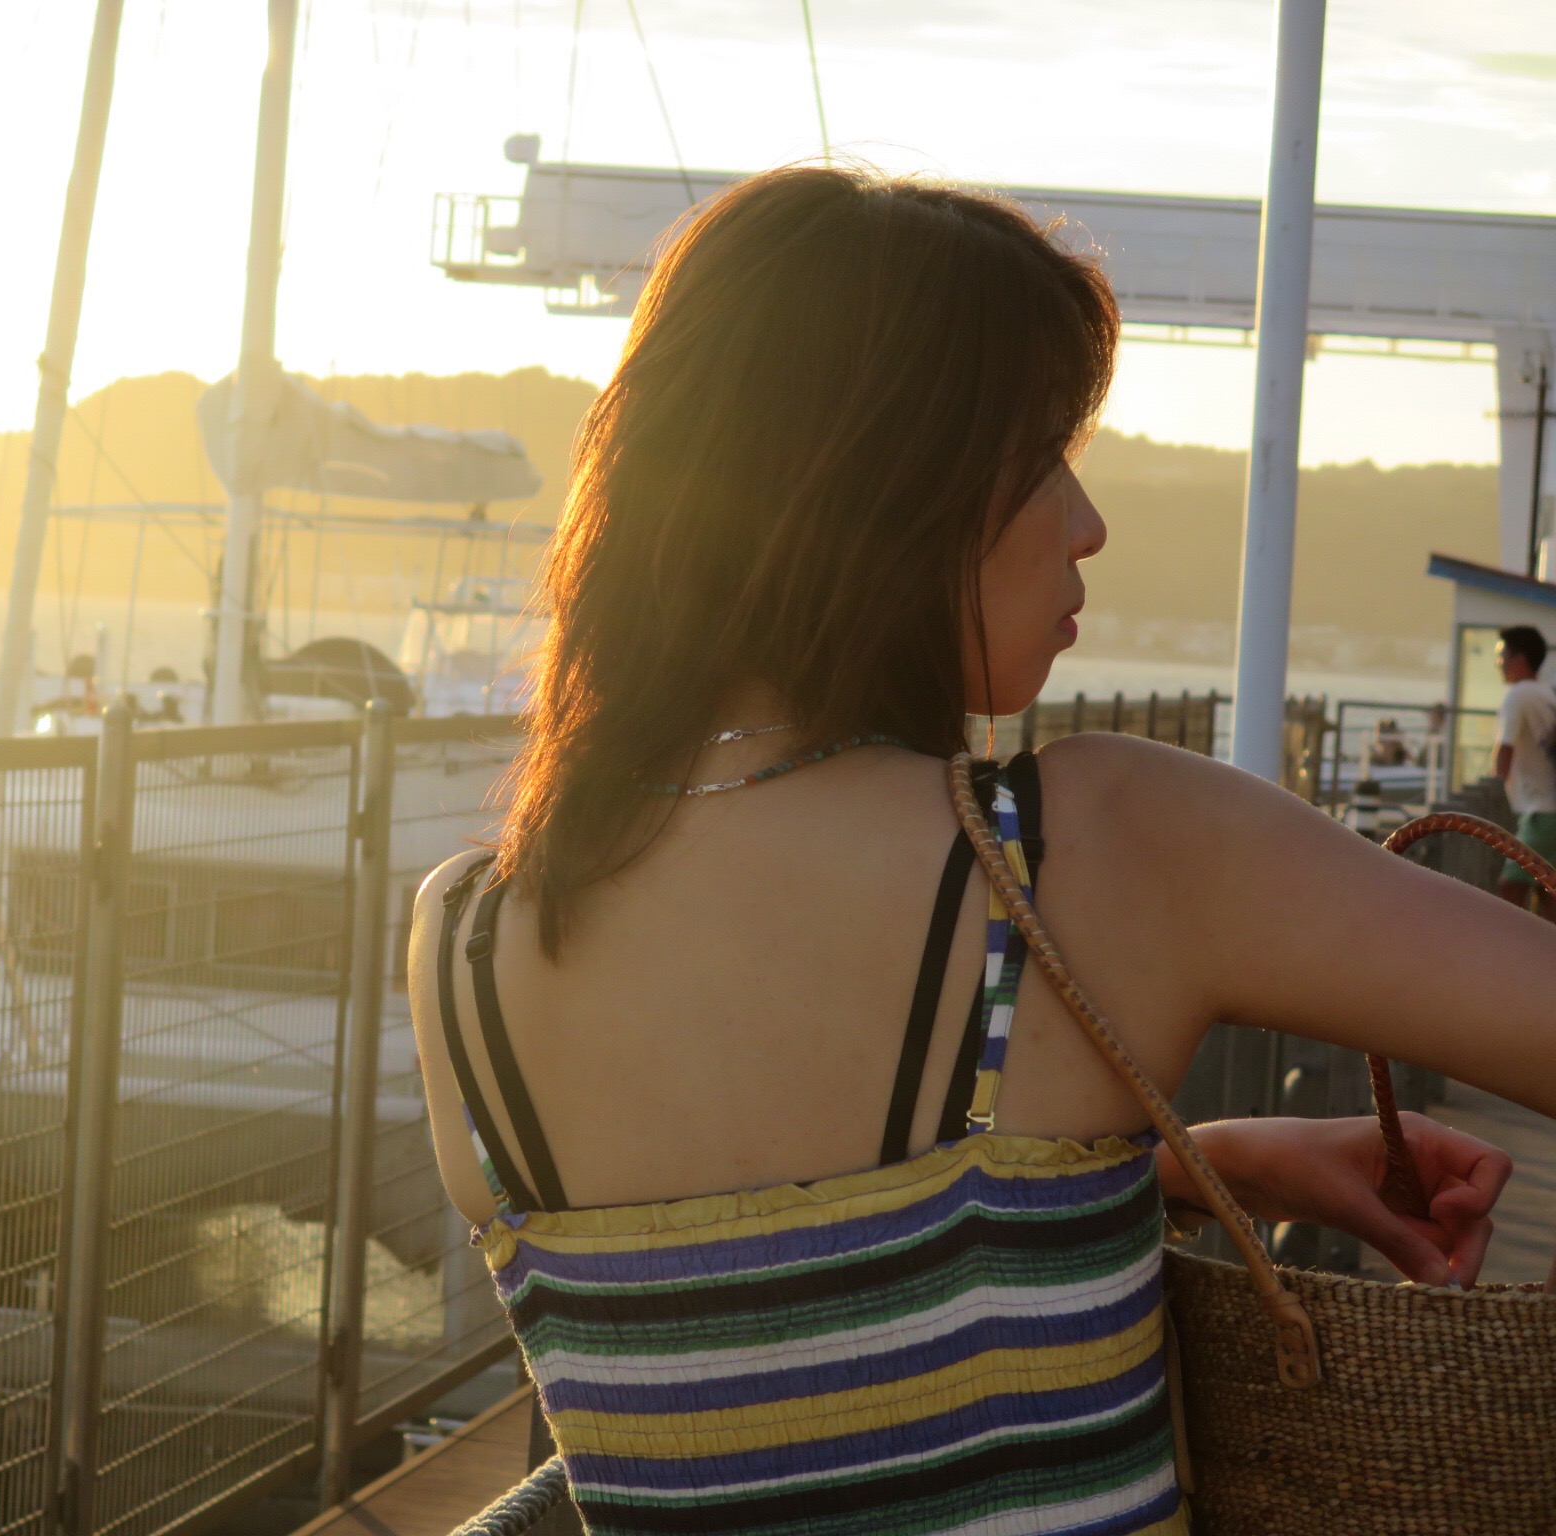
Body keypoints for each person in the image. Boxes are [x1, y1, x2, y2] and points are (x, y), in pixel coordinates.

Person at [405, 167, 1537, 1536]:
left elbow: (786, 1283)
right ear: (883, 482)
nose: (1088, 522)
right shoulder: (1086, 852)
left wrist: (1187, 1163)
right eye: (1045, 452)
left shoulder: (467, 942)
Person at [1491, 624, 1556, 915]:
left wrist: (1495, 788)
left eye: (1502, 655)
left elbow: (1505, 748)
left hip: (1541, 813)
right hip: (1549, 809)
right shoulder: (1547, 694)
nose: (1499, 663)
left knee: (1511, 885)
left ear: (1520, 658)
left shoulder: (1517, 695)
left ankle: (1508, 941)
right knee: (1547, 890)